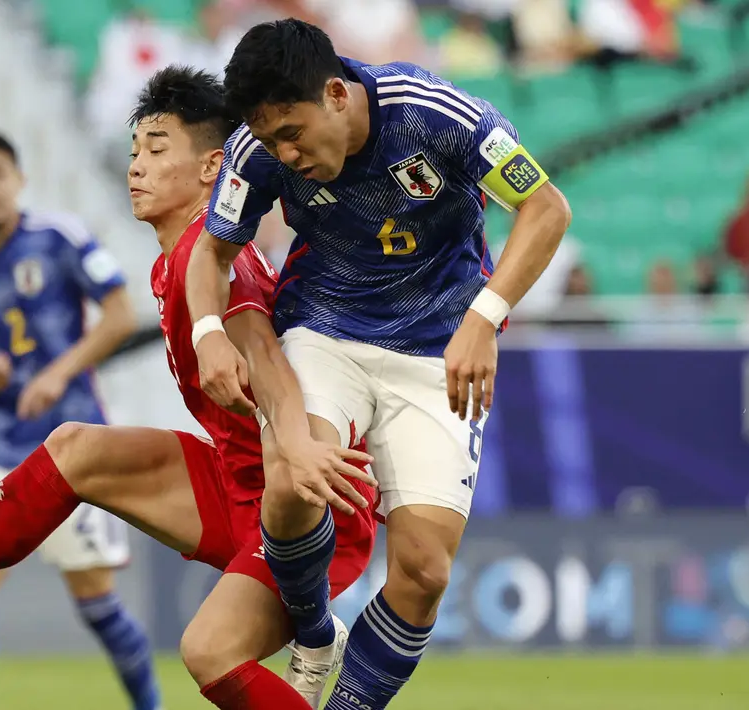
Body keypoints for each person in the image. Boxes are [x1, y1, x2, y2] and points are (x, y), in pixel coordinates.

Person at [0, 68, 378, 710]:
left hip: (301, 494)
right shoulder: (180, 258)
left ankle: (316, 629)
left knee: (209, 650)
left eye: (157, 151)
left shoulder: (211, 263)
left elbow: (272, 368)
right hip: (243, 477)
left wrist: (300, 488)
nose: (136, 168)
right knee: (75, 449)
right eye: (133, 153)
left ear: (213, 167)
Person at [186, 20, 571, 710]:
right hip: (323, 330)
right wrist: (209, 329)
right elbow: (211, 253)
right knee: (294, 477)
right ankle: (311, 631)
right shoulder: (255, 151)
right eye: (272, 140)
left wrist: (484, 317)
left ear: (336, 93)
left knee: (423, 572)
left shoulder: (436, 114)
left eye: (293, 133)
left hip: (439, 349)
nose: (285, 154)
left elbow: (545, 208)